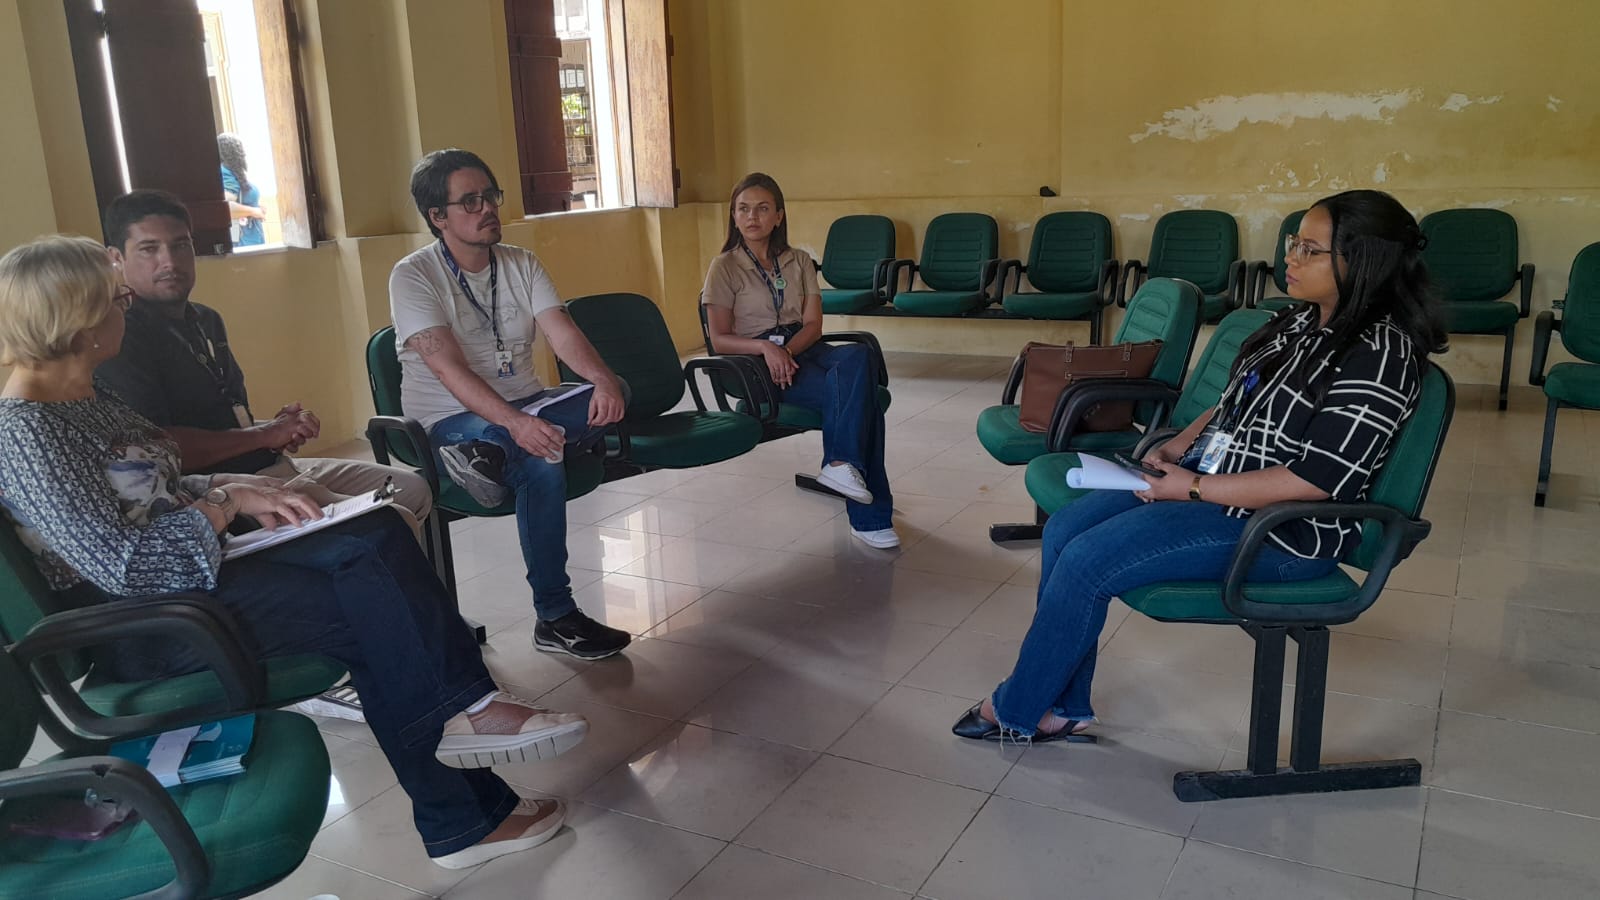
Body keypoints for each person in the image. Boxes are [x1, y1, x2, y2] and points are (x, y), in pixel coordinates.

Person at [0, 235, 589, 868]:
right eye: (118, 299)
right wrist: (224, 504)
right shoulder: (27, 429)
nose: (127, 308)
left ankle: (467, 735)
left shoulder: (82, 394)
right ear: (81, 322)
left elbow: (154, 485)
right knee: (371, 612)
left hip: (196, 575)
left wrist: (238, 489)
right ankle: (465, 795)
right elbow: (126, 566)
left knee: (376, 531)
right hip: (149, 625)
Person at [953, 190, 1448, 743]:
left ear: (1364, 262)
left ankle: (1018, 708)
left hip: (1282, 532)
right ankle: (1062, 706)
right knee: (1064, 528)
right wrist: (1176, 448)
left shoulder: (1379, 355)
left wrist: (1192, 488)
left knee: (1087, 561)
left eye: (1310, 250)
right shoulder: (1298, 321)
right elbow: (1234, 402)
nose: (1290, 258)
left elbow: (1315, 479)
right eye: (1294, 243)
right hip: (1221, 492)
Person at [389, 148, 632, 660]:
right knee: (541, 459)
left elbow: (563, 335)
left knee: (616, 391)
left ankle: (491, 456)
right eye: (470, 201)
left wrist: (603, 381)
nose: (487, 208)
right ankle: (556, 616)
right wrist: (516, 424)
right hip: (449, 420)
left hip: (530, 404)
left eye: (491, 196)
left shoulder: (522, 262)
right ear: (437, 216)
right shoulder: (413, 275)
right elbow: (448, 370)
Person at [95, 190, 432, 530]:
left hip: (271, 467)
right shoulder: (120, 337)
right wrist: (264, 435)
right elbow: (161, 447)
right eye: (149, 249)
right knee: (389, 518)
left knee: (414, 489)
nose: (169, 261)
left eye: (180, 245)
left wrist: (278, 428)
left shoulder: (205, 320)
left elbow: (227, 419)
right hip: (221, 490)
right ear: (116, 258)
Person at [700, 172, 898, 548]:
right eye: (743, 209)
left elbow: (813, 325)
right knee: (866, 401)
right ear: (734, 216)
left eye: (762, 208)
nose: (752, 216)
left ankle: (840, 465)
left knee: (859, 353)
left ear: (779, 215)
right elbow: (720, 338)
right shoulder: (723, 267)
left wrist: (787, 351)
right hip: (756, 360)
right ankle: (868, 515)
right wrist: (768, 350)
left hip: (800, 347)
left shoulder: (799, 261)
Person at [218, 133, 265, 247]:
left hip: (250, 239)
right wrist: (254, 211)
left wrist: (256, 207)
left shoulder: (232, 170)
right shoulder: (225, 171)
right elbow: (226, 208)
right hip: (243, 242)